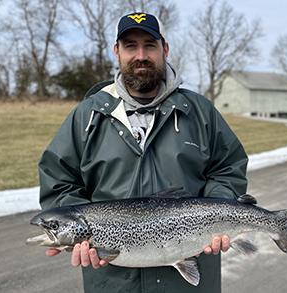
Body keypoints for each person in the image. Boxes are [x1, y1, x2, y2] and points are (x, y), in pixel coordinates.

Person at [38, 12, 248, 293]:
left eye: (150, 45)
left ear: (165, 49)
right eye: (130, 46)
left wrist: (217, 214)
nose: (141, 55)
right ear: (116, 51)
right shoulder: (87, 115)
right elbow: (59, 181)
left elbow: (228, 167)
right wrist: (78, 232)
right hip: (111, 283)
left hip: (190, 280)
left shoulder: (199, 111)